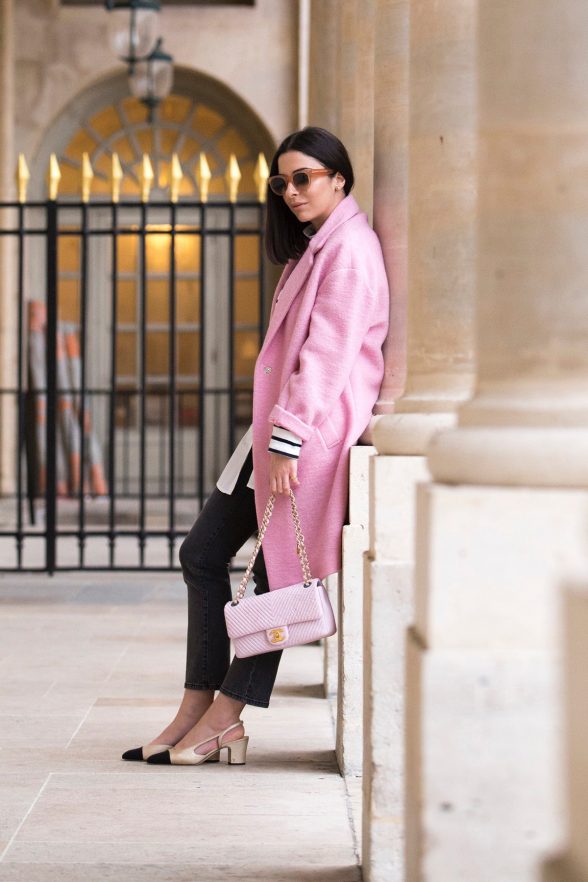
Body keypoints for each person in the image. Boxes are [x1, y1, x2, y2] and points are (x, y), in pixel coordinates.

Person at [122, 126, 390, 766]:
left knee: (273, 584)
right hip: (272, 434)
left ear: (339, 179)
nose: (292, 191)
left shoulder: (350, 249)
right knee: (204, 552)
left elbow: (326, 357)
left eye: (305, 178)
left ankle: (225, 719)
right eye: (283, 182)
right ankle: (196, 707)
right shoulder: (317, 249)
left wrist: (291, 438)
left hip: (303, 439)